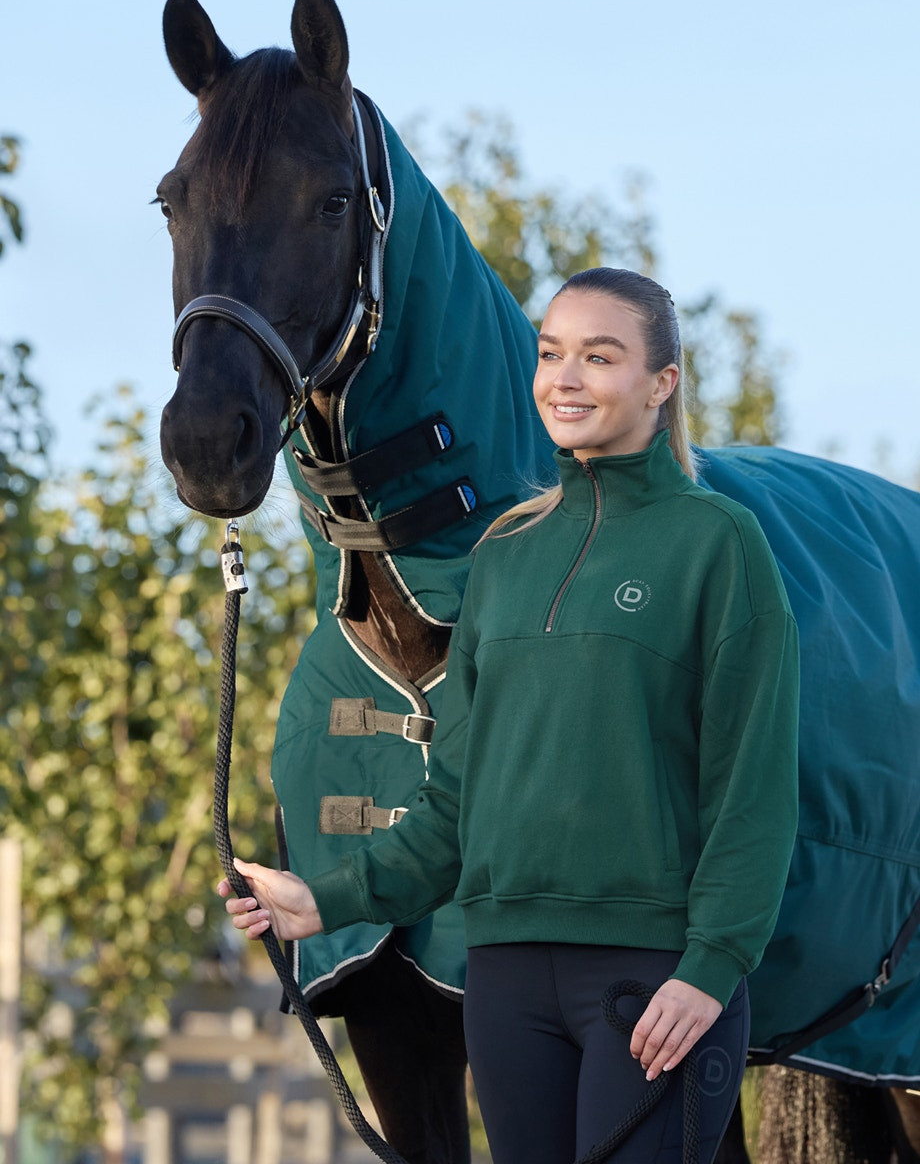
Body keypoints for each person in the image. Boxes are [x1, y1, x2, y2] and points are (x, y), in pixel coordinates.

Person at [219, 268, 799, 1163]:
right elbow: (455, 802)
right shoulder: (507, 554)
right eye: (550, 353)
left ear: (661, 383)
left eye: (598, 357)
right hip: (506, 983)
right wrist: (321, 902)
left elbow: (751, 790)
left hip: (650, 982)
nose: (564, 378)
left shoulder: (719, 543)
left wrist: (711, 969)